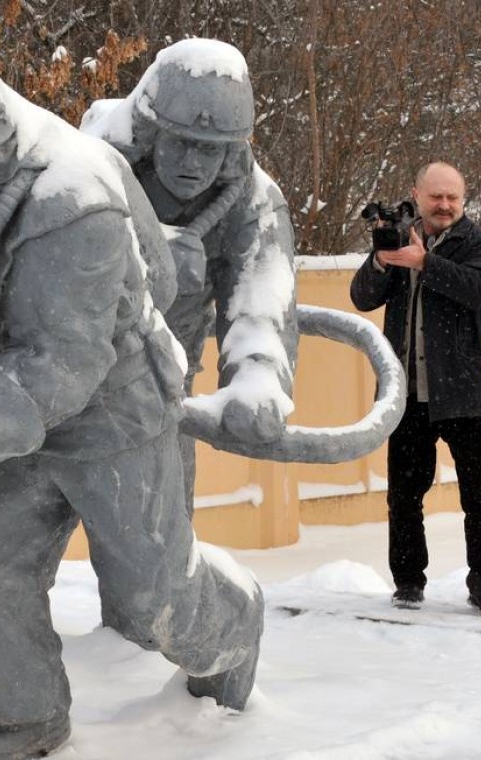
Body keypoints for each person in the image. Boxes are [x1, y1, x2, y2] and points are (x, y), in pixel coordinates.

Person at [0, 37, 262, 759]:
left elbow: (63, 362)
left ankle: (236, 623)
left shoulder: (71, 204)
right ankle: (21, 718)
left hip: (113, 413)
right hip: (2, 410)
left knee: (152, 601)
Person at [82, 38, 298, 515]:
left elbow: (260, 304)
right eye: (181, 143)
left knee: (160, 567)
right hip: (59, 385)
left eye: (211, 150)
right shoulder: (89, 171)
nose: (194, 164)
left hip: (160, 398)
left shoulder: (253, 203)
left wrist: (257, 380)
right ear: (151, 132)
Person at [350, 162, 481, 616]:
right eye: (436, 196)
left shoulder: (478, 243)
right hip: (406, 393)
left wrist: (426, 263)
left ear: (463, 198)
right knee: (404, 494)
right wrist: (382, 260)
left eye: (452, 198)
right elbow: (361, 297)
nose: (444, 205)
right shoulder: (398, 238)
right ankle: (407, 583)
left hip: (464, 394)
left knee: (479, 495)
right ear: (417, 194)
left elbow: (478, 289)